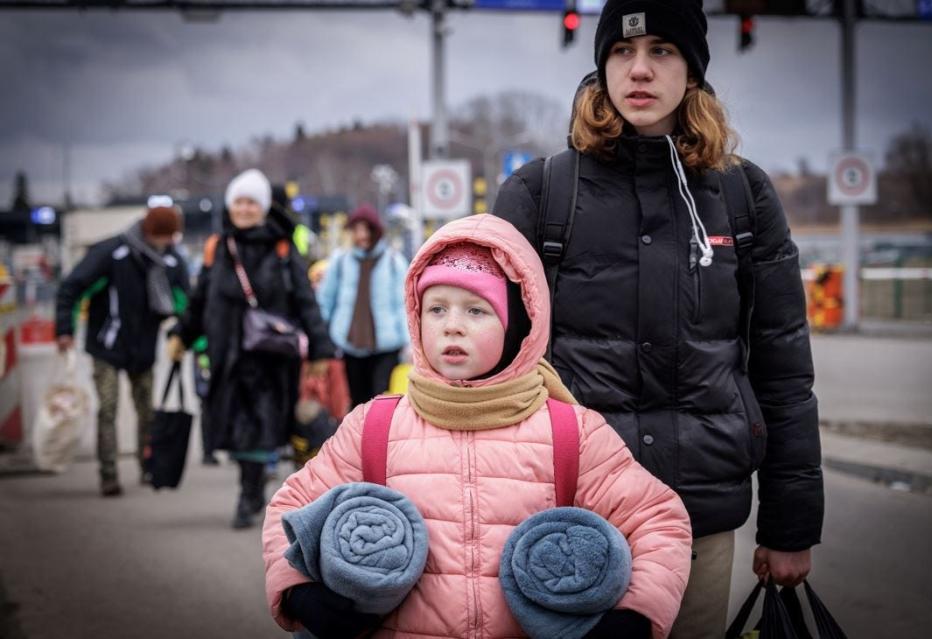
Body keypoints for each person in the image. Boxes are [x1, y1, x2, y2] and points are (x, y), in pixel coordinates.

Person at [492, 1, 824, 637]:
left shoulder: (742, 197)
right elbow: (492, 368)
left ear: (693, 71)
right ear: (602, 65)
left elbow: (784, 370)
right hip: (564, 514)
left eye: (662, 51)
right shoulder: (540, 194)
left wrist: (791, 526)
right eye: (622, 51)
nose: (639, 69)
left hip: (697, 515)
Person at [262, 214, 693, 639]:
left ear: (518, 326)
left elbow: (658, 521)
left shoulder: (572, 432)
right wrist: (300, 592)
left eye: (476, 309)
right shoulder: (374, 426)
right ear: (416, 318)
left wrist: (634, 615)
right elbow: (291, 507)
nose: (452, 324)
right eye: (437, 308)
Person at [166, 168, 335, 529]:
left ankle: (251, 492)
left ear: (262, 207)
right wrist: (182, 335)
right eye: (238, 202)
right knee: (238, 425)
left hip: (271, 358)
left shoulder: (282, 246)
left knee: (259, 425)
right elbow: (200, 299)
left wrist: (321, 348)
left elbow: (306, 302)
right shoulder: (219, 247)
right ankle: (254, 486)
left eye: (250, 203)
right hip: (228, 354)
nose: (244, 209)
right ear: (230, 206)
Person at [55, 204, 190, 497]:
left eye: (171, 237)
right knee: (108, 409)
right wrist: (64, 330)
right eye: (163, 236)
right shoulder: (110, 253)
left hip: (143, 349)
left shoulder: (171, 260)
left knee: (146, 412)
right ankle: (109, 475)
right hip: (107, 346)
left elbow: (187, 302)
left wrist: (187, 337)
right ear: (148, 231)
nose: (168, 243)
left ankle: (147, 466)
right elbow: (71, 288)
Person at [318, 204, 408, 407]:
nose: (361, 236)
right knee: (356, 402)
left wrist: (408, 343)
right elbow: (326, 300)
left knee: (381, 400)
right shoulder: (340, 262)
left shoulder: (394, 262)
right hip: (348, 345)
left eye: (366, 229)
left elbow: (403, 305)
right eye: (356, 230)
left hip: (386, 345)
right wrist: (321, 338)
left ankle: (378, 438)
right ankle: (360, 438)